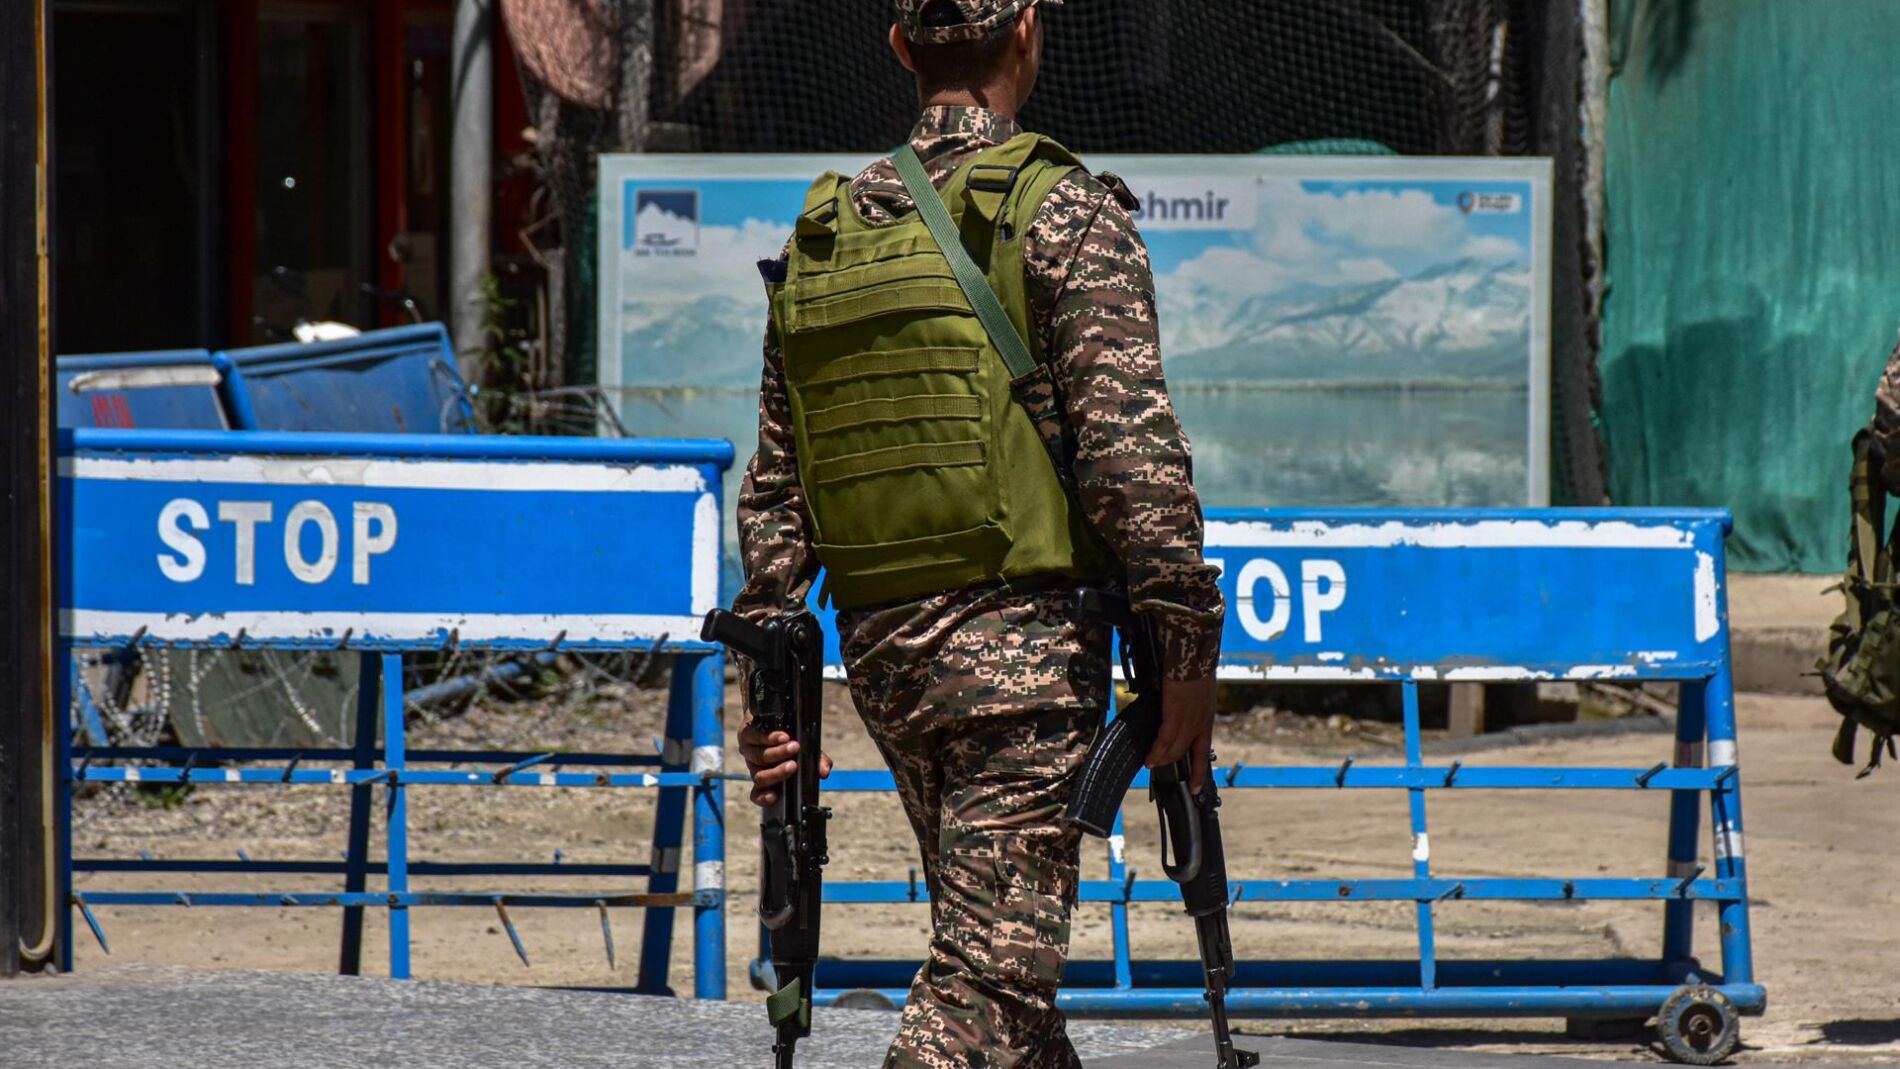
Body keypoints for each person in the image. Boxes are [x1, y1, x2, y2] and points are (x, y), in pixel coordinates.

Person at [731, 1, 1227, 1065]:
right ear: (1029, 32)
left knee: (1008, 981)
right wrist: (1187, 654)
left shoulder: (827, 235)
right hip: (1024, 658)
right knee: (987, 982)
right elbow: (1133, 461)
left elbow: (776, 491)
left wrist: (767, 698)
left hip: (886, 658)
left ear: (902, 48)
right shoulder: (1065, 212)